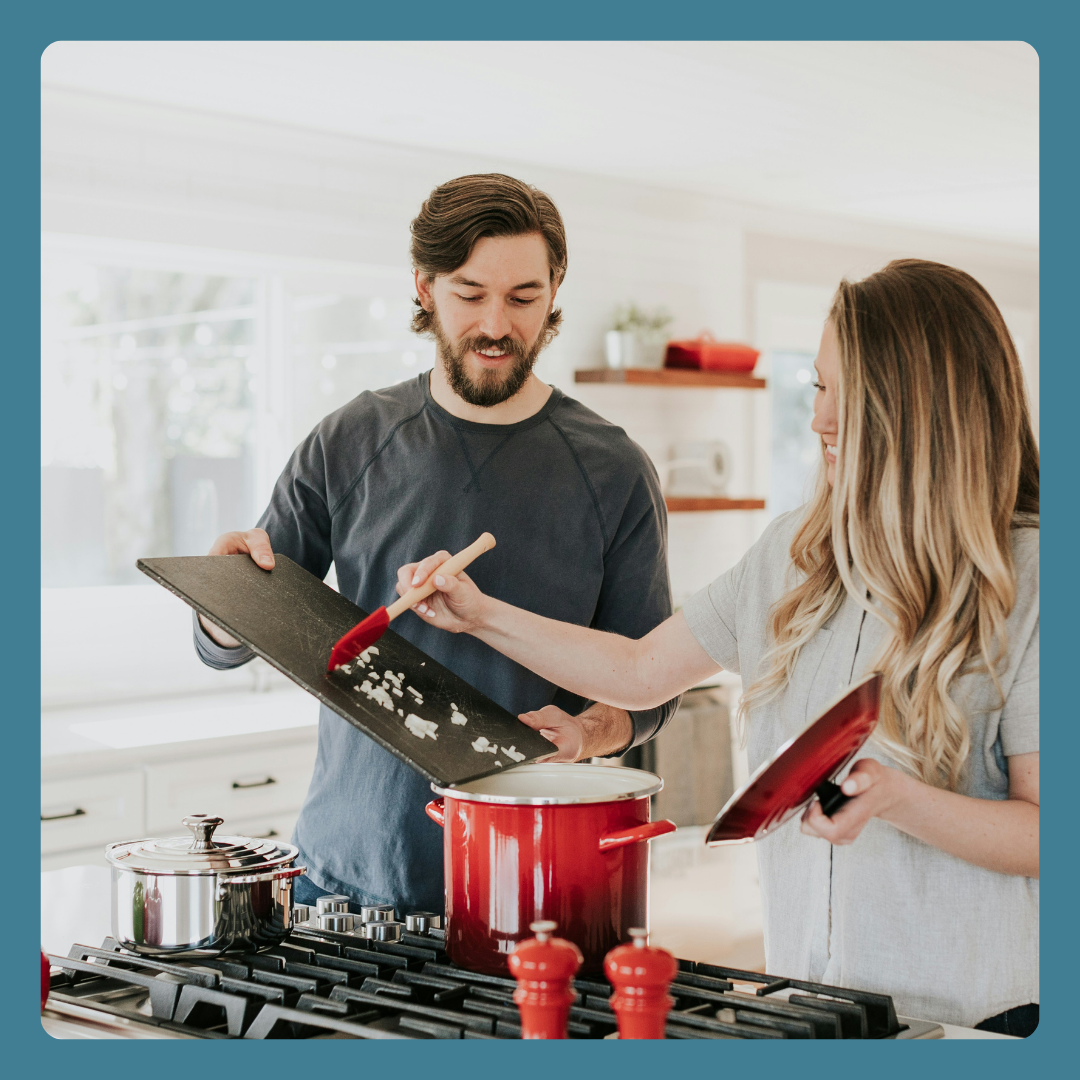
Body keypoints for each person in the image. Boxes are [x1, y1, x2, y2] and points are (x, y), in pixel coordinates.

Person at [400, 259, 1039, 1034]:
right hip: (816, 1012)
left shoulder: (1032, 581)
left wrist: (902, 800)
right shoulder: (793, 557)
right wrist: (479, 613)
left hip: (979, 1024)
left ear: (917, 408)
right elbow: (640, 671)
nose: (818, 420)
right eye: (817, 386)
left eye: (842, 393)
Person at [193, 173, 681, 917]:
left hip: (532, 886)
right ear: (424, 287)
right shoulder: (348, 439)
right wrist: (221, 604)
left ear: (554, 291)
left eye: (523, 297)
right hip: (341, 881)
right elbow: (237, 630)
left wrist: (588, 731)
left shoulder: (614, 470)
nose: (496, 324)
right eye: (469, 293)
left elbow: (652, 689)